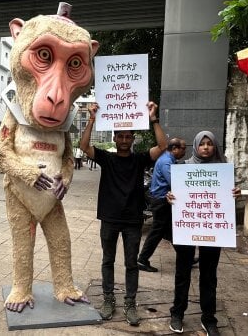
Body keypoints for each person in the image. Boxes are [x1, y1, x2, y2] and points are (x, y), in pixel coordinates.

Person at [80, 101, 167, 326]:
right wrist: (91, 118)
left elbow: (162, 146)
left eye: (129, 137)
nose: (125, 140)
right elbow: (83, 146)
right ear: (115, 139)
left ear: (133, 139)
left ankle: (130, 302)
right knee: (107, 261)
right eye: (121, 137)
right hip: (109, 218)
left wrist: (153, 118)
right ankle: (108, 299)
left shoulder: (139, 160)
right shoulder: (106, 159)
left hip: (132, 220)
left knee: (131, 263)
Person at [167, 131, 240, 336]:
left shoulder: (223, 170)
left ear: (215, 146)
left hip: (212, 230)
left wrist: (235, 193)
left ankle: (209, 318)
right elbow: (176, 195)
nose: (206, 147)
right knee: (183, 273)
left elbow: (228, 199)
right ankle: (177, 313)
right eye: (202, 144)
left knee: (209, 275)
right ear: (196, 146)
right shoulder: (184, 168)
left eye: (210, 144)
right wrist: (170, 196)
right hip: (188, 228)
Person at [137, 138, 187, 273]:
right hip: (161, 201)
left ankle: (186, 256)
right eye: (183, 148)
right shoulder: (166, 162)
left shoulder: (167, 159)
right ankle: (142, 259)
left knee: (170, 231)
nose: (184, 151)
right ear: (175, 148)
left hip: (161, 200)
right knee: (157, 231)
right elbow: (174, 182)